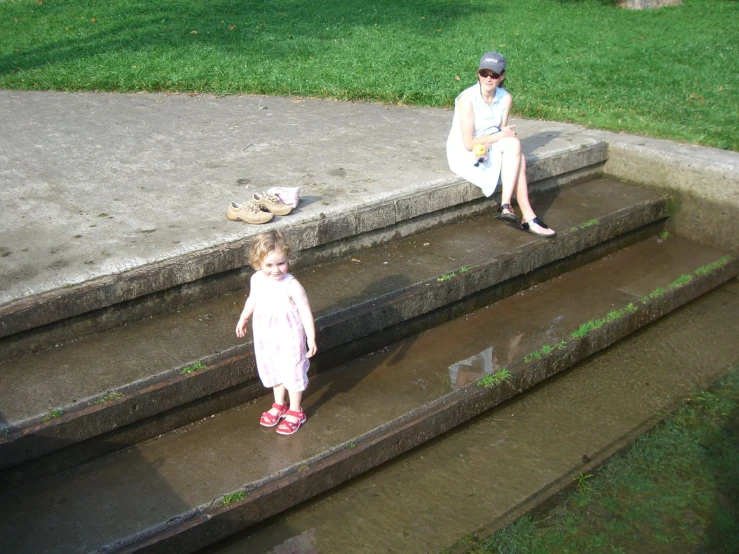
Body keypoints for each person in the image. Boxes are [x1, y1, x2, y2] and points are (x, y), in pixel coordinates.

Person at [447, 52, 556, 237]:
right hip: (466, 154)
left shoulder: (505, 98)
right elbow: (467, 143)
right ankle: (521, 213)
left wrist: (498, 138)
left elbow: (501, 131)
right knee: (516, 151)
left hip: (488, 147)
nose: (488, 78)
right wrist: (499, 137)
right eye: (484, 73)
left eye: (494, 74)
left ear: (502, 76)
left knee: (515, 149)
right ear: (478, 73)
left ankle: (513, 209)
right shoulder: (467, 99)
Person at [236, 230, 317, 435]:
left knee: (293, 371)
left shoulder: (292, 285)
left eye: (281, 263)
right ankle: (279, 403)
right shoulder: (257, 280)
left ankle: (295, 410)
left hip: (289, 337)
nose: (276, 270)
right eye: (269, 265)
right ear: (257, 264)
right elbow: (252, 299)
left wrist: (311, 337)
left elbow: (305, 312)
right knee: (274, 369)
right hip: (266, 336)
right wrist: (244, 317)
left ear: (287, 259)